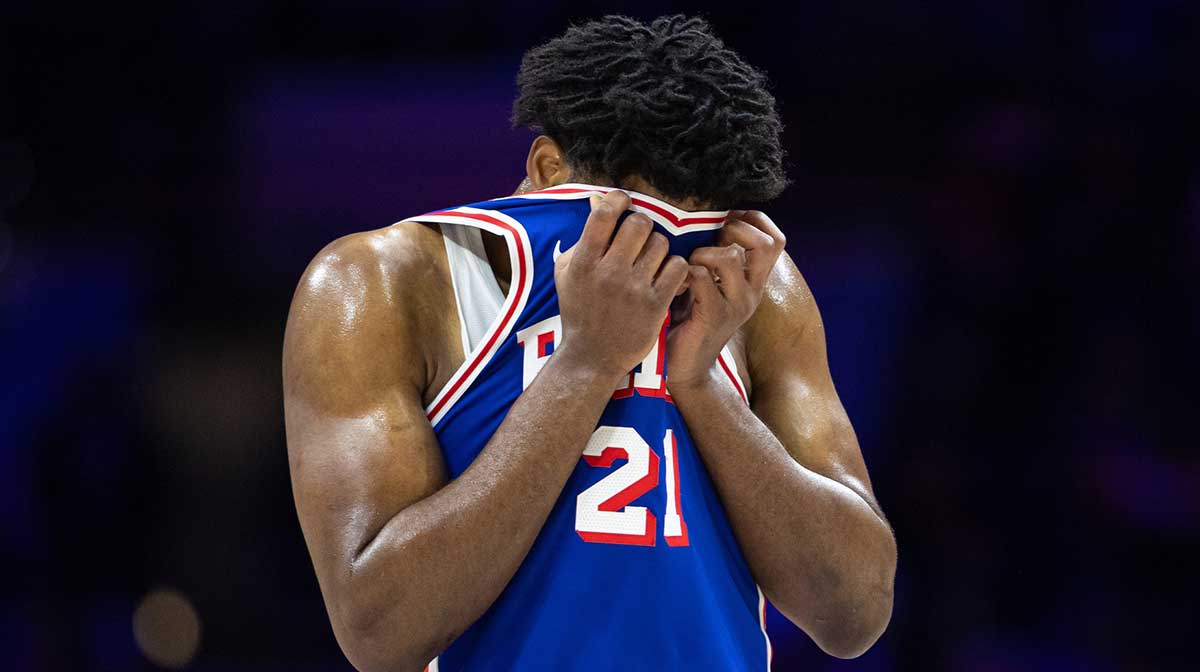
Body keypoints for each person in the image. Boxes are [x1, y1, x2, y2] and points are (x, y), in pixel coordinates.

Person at [283, 14, 896, 672]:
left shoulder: (755, 290)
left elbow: (854, 613)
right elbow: (379, 630)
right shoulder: (382, 283)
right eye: (638, 231)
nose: (667, 266)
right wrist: (584, 367)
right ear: (548, 168)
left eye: (692, 239)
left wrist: (700, 386)